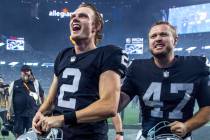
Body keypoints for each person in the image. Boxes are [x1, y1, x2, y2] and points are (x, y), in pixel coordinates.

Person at [32, 3, 128, 140]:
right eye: (72, 17)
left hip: (89, 136)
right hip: (59, 136)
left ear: (96, 26)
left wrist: (62, 119)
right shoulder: (63, 55)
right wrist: (39, 114)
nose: (74, 19)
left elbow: (109, 105)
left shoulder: (108, 54)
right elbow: (51, 101)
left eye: (83, 16)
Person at [117, 21, 210, 140]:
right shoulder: (137, 68)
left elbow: (207, 107)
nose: (158, 38)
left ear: (175, 40)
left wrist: (187, 126)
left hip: (180, 137)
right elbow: (118, 104)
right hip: (148, 136)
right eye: (153, 36)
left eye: (163, 34)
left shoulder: (195, 65)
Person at [7, 65, 44, 137]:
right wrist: (9, 111)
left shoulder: (35, 83)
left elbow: (42, 95)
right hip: (19, 114)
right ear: (21, 73)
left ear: (30, 73)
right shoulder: (15, 83)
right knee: (18, 133)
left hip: (32, 114)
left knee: (32, 133)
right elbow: (10, 98)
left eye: (27, 73)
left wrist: (42, 109)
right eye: (23, 73)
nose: (25, 75)